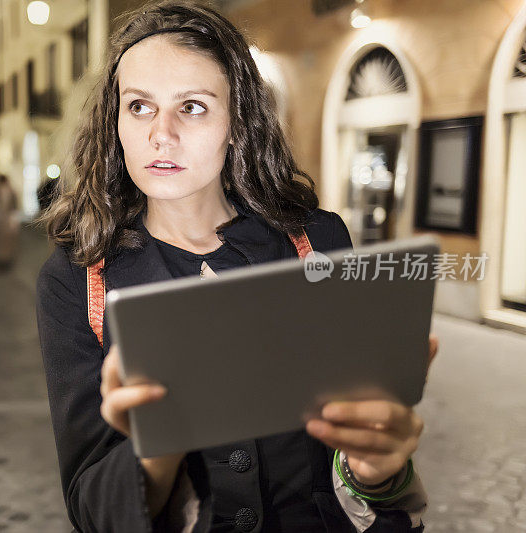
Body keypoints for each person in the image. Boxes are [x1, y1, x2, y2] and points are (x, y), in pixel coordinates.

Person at [36, 2, 438, 531]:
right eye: (139, 106)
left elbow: (363, 458)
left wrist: (378, 471)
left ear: (236, 123)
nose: (161, 133)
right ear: (115, 122)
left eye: (193, 107)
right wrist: (156, 446)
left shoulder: (317, 242)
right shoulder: (76, 278)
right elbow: (91, 508)